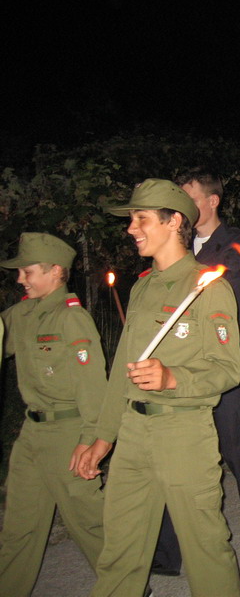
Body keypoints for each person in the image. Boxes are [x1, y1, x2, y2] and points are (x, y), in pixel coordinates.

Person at [77, 179, 240, 597]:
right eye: (132, 219)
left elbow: (228, 370)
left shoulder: (208, 286)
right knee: (120, 552)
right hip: (133, 435)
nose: (131, 228)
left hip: (183, 433)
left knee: (205, 549)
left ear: (174, 222)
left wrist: (173, 378)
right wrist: (103, 437)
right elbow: (122, 370)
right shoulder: (142, 287)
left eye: (141, 218)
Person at [150, 168, 240, 576]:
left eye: (190, 197)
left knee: (237, 452)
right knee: (179, 458)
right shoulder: (176, 249)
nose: (181, 207)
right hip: (181, 373)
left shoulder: (238, 247)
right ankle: (169, 552)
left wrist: (224, 360)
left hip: (227, 368)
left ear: (212, 201)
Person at [0, 232, 106, 596]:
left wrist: (89, 439)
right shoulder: (21, 315)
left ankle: (128, 586)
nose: (20, 279)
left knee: (88, 523)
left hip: (68, 432)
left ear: (56, 271)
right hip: (31, 434)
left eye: (28, 271)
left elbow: (93, 386)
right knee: (19, 528)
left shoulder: (71, 319)